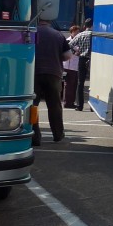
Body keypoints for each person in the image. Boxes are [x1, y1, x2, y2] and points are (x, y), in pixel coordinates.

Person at [34, 15, 72, 144]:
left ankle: (35, 136)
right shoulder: (58, 35)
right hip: (54, 73)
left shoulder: (32, 32)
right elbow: (67, 55)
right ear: (49, 22)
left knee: (33, 105)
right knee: (54, 105)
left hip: (34, 73)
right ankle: (58, 134)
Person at [70, 22, 93, 110]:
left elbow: (70, 44)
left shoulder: (80, 35)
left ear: (84, 26)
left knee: (80, 83)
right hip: (93, 59)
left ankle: (80, 105)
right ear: (92, 26)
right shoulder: (94, 34)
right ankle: (92, 106)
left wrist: (76, 51)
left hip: (82, 59)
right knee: (94, 82)